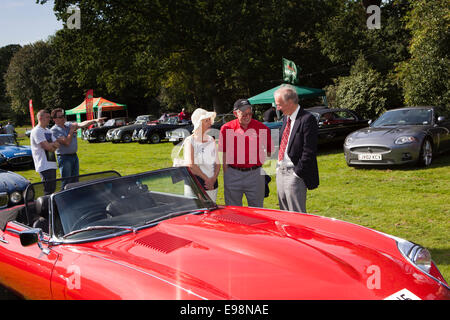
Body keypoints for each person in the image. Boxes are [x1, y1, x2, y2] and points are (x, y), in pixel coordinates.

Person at [219, 98, 273, 208]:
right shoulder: (226, 128)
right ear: (235, 113)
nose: (247, 117)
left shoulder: (261, 128)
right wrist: (227, 174)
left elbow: (270, 150)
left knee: (257, 210)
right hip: (233, 173)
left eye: (250, 114)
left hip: (255, 174)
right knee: (233, 211)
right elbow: (223, 153)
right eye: (244, 114)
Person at [274, 84, 319, 213]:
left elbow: (309, 150)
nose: (277, 108)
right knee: (284, 213)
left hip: (294, 173)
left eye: (279, 104)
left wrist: (297, 173)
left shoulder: (307, 119)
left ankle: (300, 234)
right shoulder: (285, 119)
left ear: (290, 102)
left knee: (297, 215)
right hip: (281, 171)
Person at [51, 108, 105, 189]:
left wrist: (95, 120)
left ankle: (74, 198)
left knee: (75, 181)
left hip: (74, 156)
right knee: (66, 181)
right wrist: (71, 131)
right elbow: (66, 143)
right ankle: (64, 199)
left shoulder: (68, 124)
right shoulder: (54, 130)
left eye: (63, 116)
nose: (63, 118)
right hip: (64, 158)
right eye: (60, 116)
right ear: (54, 119)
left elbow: (82, 124)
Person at [183, 108, 220, 201]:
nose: (210, 123)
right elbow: (191, 165)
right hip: (196, 185)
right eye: (206, 120)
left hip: (212, 185)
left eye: (210, 120)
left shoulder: (211, 139)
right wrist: (207, 180)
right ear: (198, 123)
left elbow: (217, 163)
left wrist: (213, 179)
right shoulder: (190, 141)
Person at [30, 110, 60, 195]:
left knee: (52, 189)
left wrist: (51, 146)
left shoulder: (48, 130)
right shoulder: (37, 131)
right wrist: (52, 145)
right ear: (40, 118)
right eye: (47, 117)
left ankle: (50, 207)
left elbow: (57, 145)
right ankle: (45, 207)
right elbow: (47, 147)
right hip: (44, 165)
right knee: (48, 190)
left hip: (51, 164)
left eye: (49, 117)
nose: (49, 119)